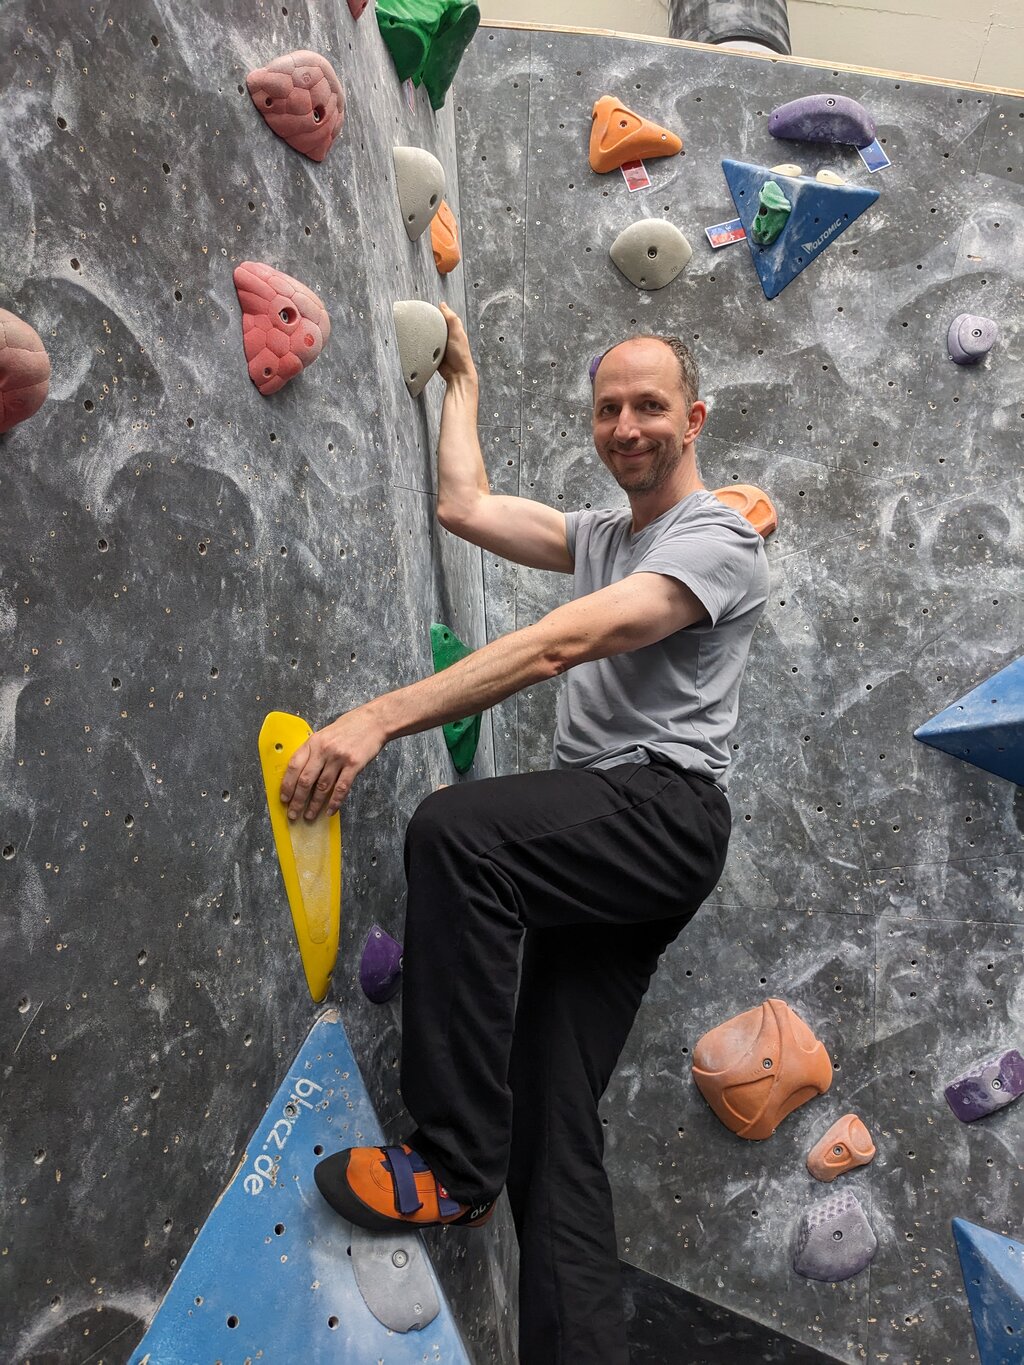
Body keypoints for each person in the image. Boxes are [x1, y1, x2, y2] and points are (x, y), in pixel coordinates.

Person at [281, 304, 769, 1364]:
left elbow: (566, 643)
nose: (626, 425)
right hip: (609, 837)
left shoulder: (717, 539)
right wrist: (461, 379)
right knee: (554, 1115)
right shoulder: (598, 535)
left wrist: (375, 717)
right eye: (607, 409)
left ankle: (451, 1166)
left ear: (694, 418)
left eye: (648, 406)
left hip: (660, 815)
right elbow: (463, 505)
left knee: (460, 834)